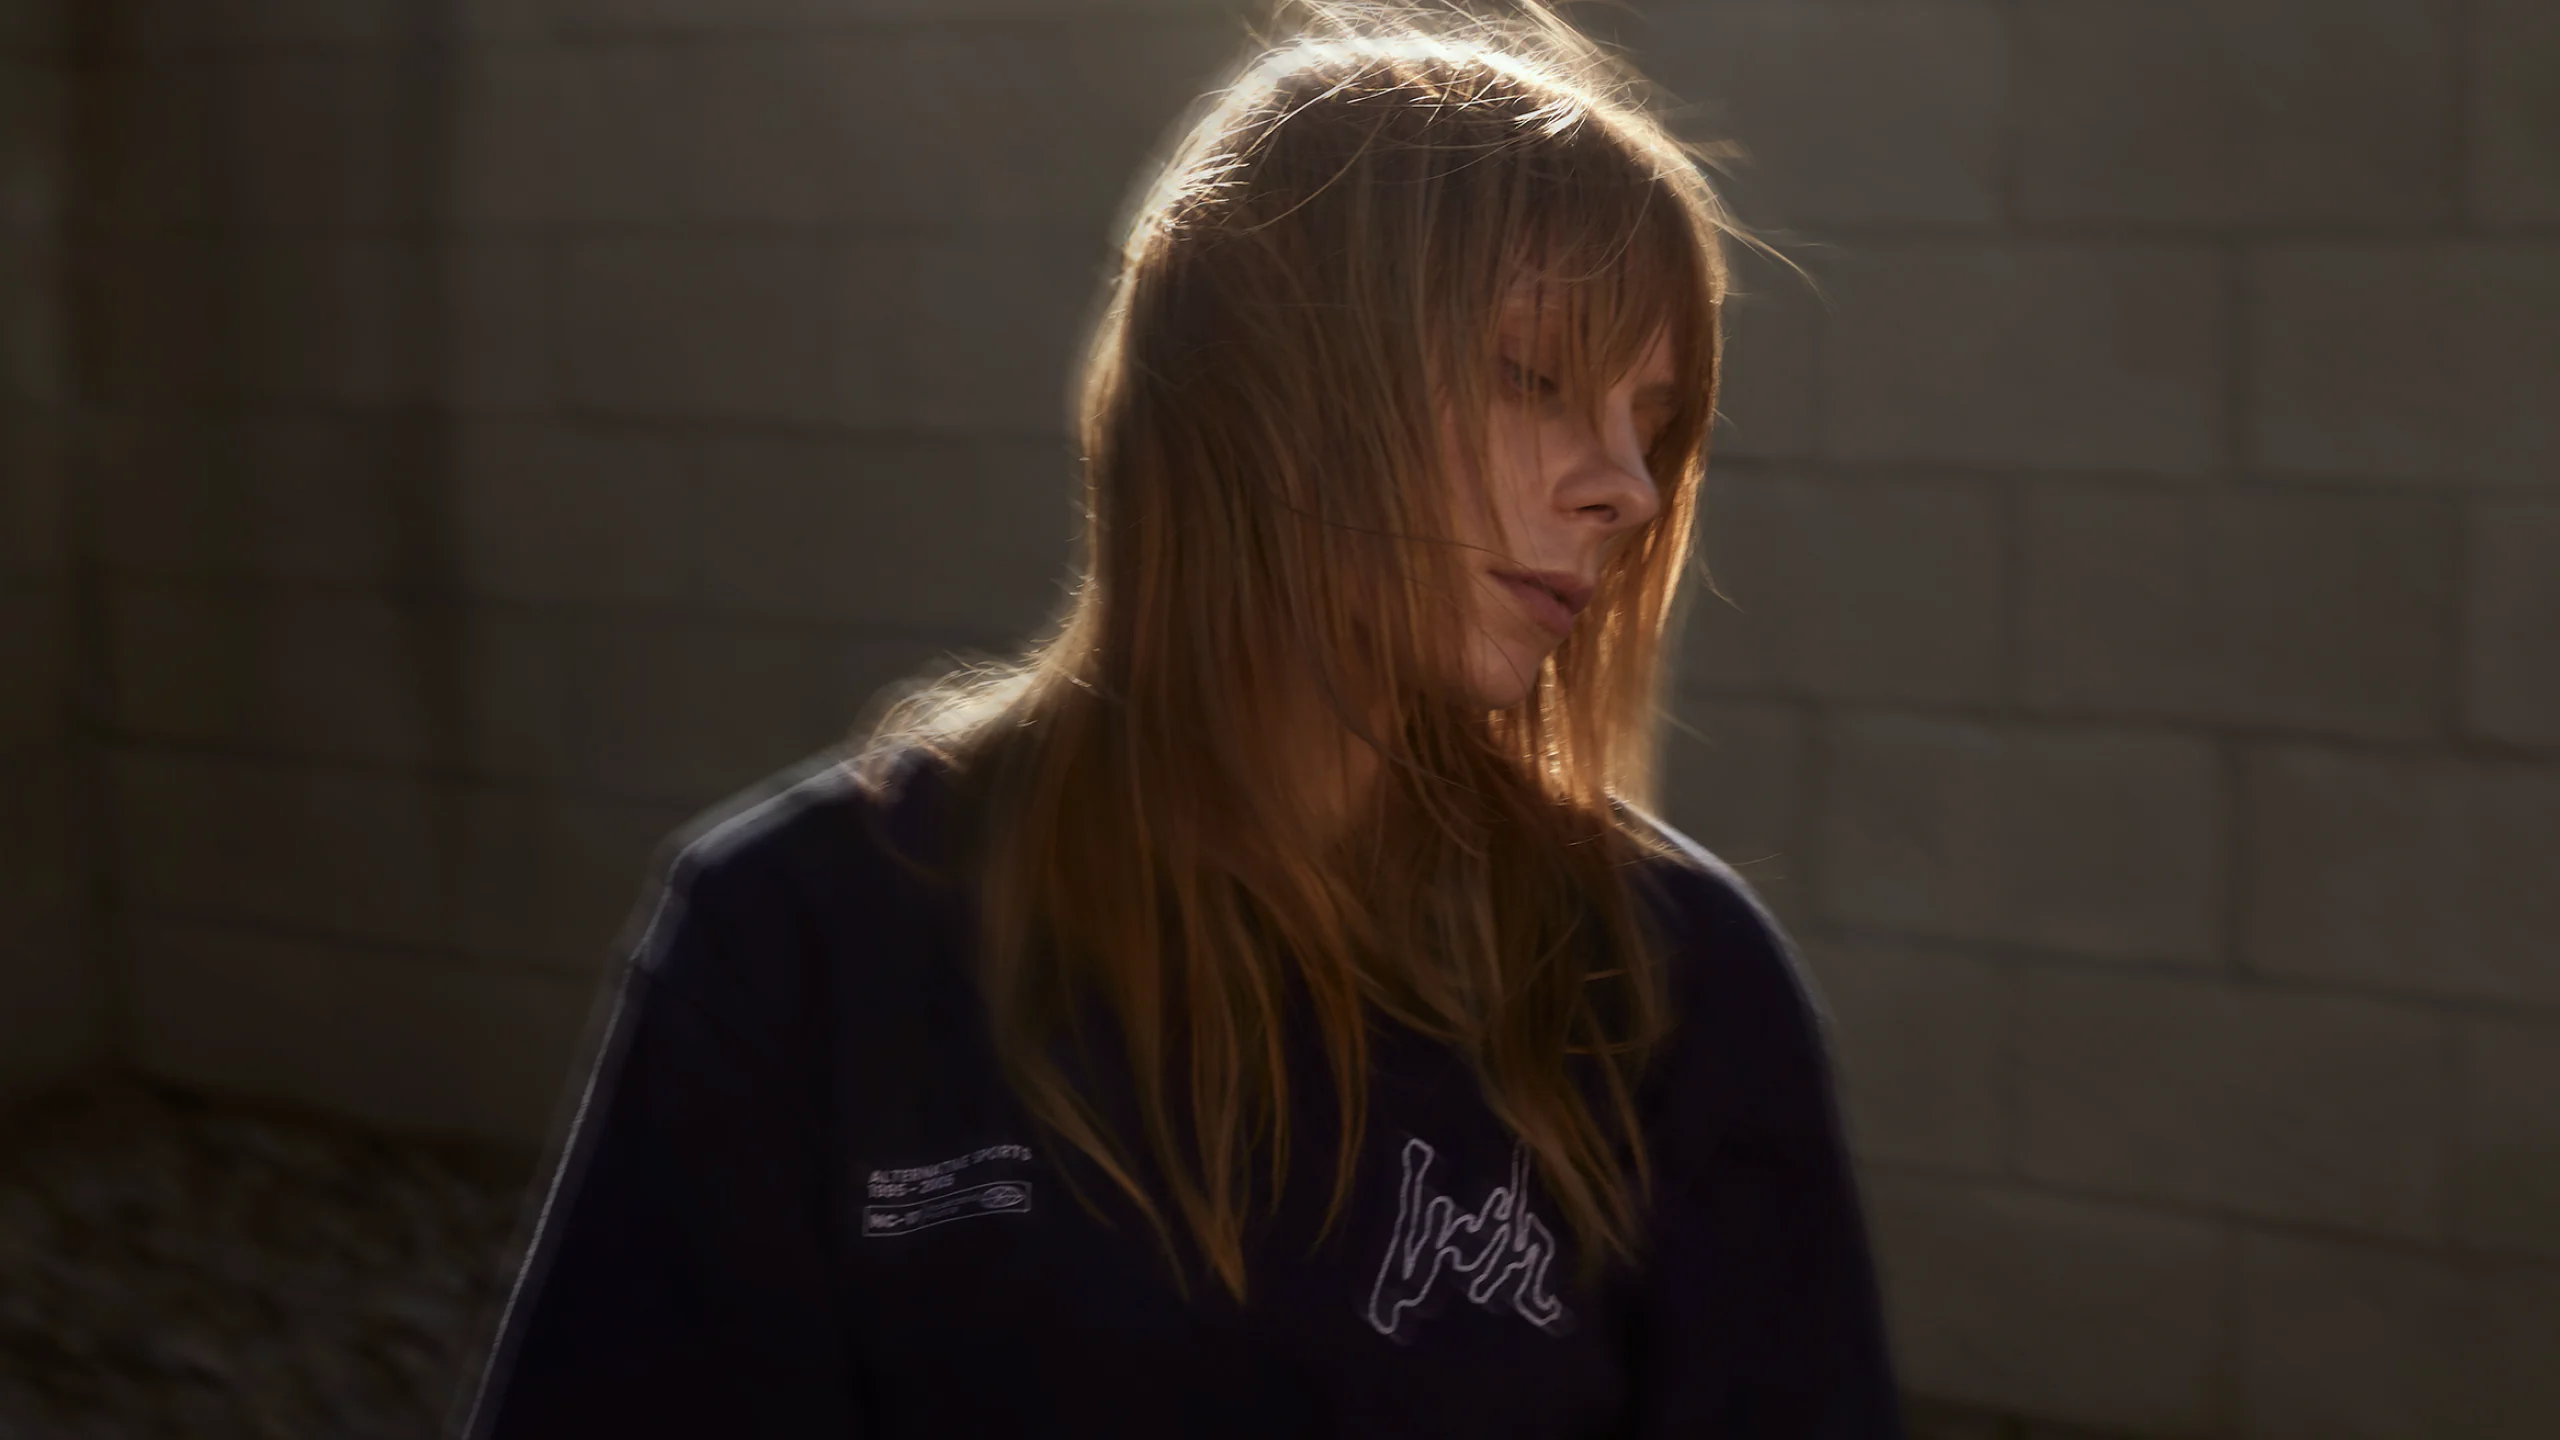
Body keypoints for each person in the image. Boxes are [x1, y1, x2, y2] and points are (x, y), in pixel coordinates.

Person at [462, 2, 1902, 1434]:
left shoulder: (1668, 982)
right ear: (1270, 393)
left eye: (1650, 424)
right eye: (1535, 376)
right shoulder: (802, 938)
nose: (1629, 488)